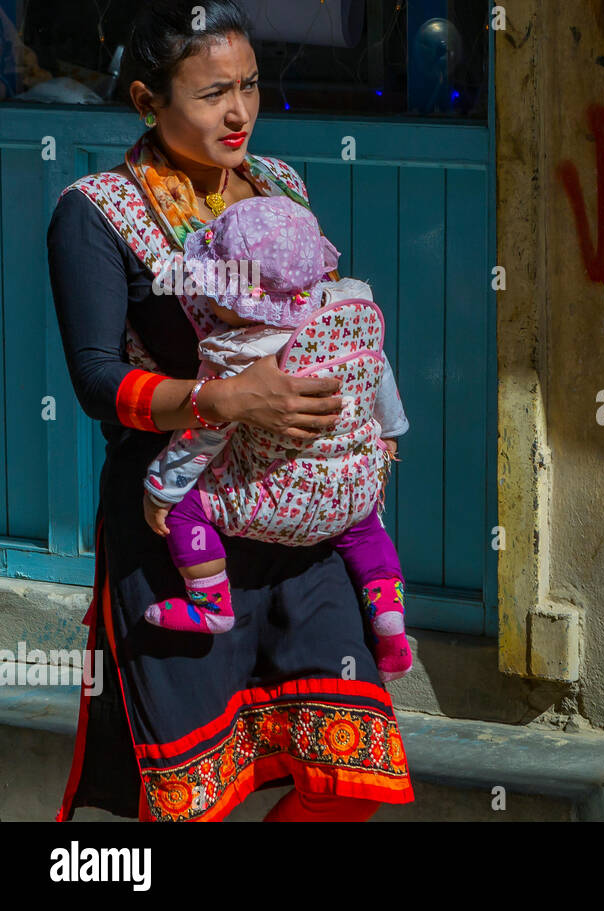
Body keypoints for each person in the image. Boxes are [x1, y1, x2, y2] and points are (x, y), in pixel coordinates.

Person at [46, 0, 415, 822]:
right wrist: (227, 398)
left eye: (248, 85)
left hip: (300, 521)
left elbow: (316, 318)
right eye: (213, 93)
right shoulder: (97, 212)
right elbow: (96, 381)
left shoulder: (280, 184)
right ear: (148, 101)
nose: (240, 111)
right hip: (181, 528)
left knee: (350, 779)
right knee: (193, 802)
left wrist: (363, 431)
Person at [139, 195, 413, 684]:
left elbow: (202, 437)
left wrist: (160, 488)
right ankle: (389, 622)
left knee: (184, 506)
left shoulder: (236, 353)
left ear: (232, 296)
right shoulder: (348, 322)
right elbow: (380, 377)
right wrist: (388, 436)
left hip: (267, 502)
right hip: (344, 490)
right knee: (365, 524)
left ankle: (211, 603)